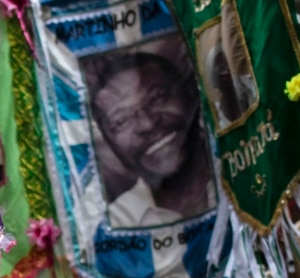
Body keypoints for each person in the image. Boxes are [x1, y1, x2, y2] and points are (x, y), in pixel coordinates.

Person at [90, 51, 215, 228]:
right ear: (109, 143)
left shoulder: (239, 175)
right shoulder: (115, 224)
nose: (147, 123)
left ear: (190, 94)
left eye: (157, 97)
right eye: (121, 121)